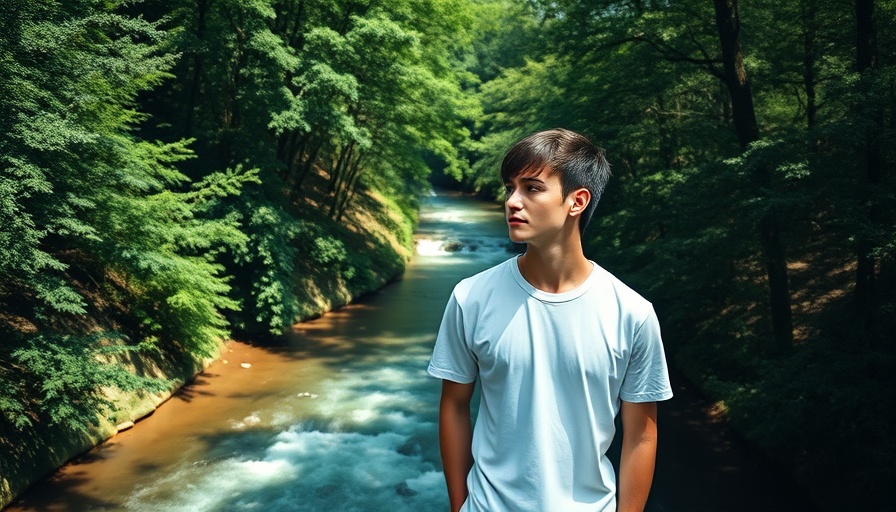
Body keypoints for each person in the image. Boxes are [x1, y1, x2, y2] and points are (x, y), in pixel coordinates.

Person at [427, 128, 673, 512]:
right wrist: (460, 506)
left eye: (532, 188)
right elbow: (454, 406)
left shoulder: (632, 313)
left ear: (577, 201)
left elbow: (641, 436)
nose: (512, 201)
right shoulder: (470, 297)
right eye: (510, 188)